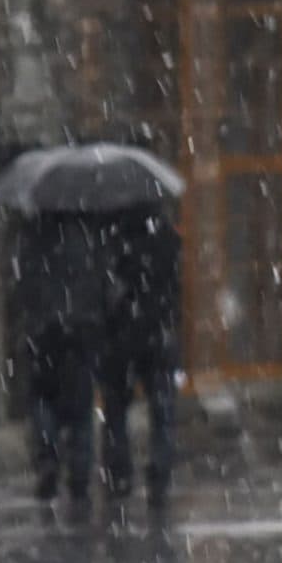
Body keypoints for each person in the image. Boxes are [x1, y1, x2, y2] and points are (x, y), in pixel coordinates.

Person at [13, 213, 108, 503]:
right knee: (80, 407)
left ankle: (47, 458)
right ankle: (79, 473)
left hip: (43, 332)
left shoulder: (31, 236)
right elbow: (100, 281)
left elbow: (23, 284)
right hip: (80, 331)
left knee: (42, 397)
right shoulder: (88, 235)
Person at [100, 212, 182, 505]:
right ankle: (159, 471)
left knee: (116, 409)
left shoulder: (113, 239)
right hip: (158, 335)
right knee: (162, 409)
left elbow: (107, 292)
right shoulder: (167, 236)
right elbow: (175, 286)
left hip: (123, 338)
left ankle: (119, 472)